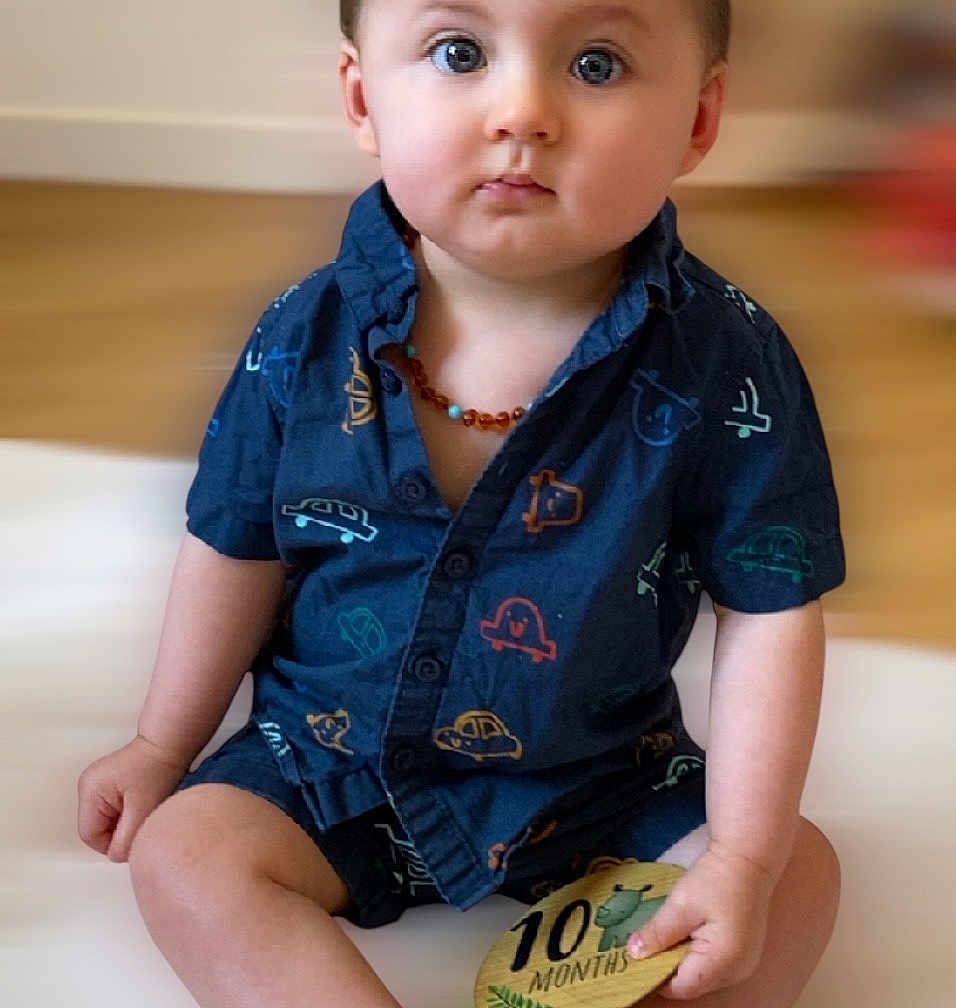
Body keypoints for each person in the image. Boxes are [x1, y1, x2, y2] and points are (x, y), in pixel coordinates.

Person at [77, 1, 846, 1005]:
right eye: (459, 52)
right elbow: (235, 545)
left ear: (698, 122)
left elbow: (770, 607)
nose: (522, 111)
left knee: (800, 872)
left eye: (599, 63)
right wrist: (162, 745)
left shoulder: (726, 360)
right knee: (186, 851)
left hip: (603, 777)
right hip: (329, 764)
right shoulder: (302, 339)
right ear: (363, 98)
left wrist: (740, 857)